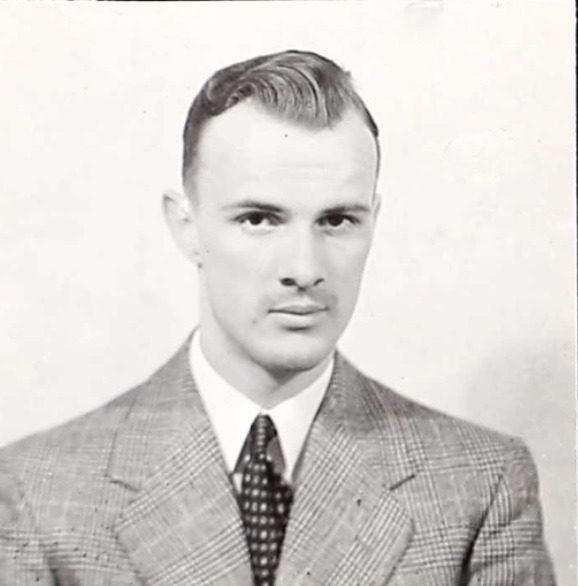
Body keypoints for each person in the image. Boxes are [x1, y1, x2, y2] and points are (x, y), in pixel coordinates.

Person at [0, 50, 555, 586]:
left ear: (374, 222)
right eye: (259, 219)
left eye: (337, 220)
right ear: (186, 227)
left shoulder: (481, 484)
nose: (304, 269)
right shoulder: (38, 491)